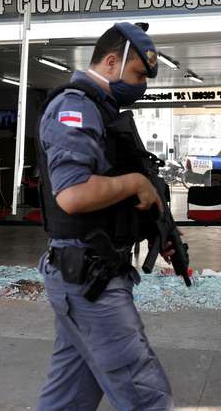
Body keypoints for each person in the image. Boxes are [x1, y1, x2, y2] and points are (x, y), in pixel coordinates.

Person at [36, 22, 175, 410]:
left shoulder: (100, 109)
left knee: (70, 395)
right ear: (111, 61)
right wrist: (133, 183)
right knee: (145, 394)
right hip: (88, 278)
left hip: (89, 271)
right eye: (136, 74)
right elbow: (73, 195)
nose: (140, 85)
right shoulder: (75, 107)